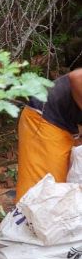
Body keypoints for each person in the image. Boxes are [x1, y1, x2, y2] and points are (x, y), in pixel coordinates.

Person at [15, 68, 82, 200]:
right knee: (45, 190)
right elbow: (77, 76)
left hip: (68, 125)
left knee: (67, 186)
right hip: (44, 118)